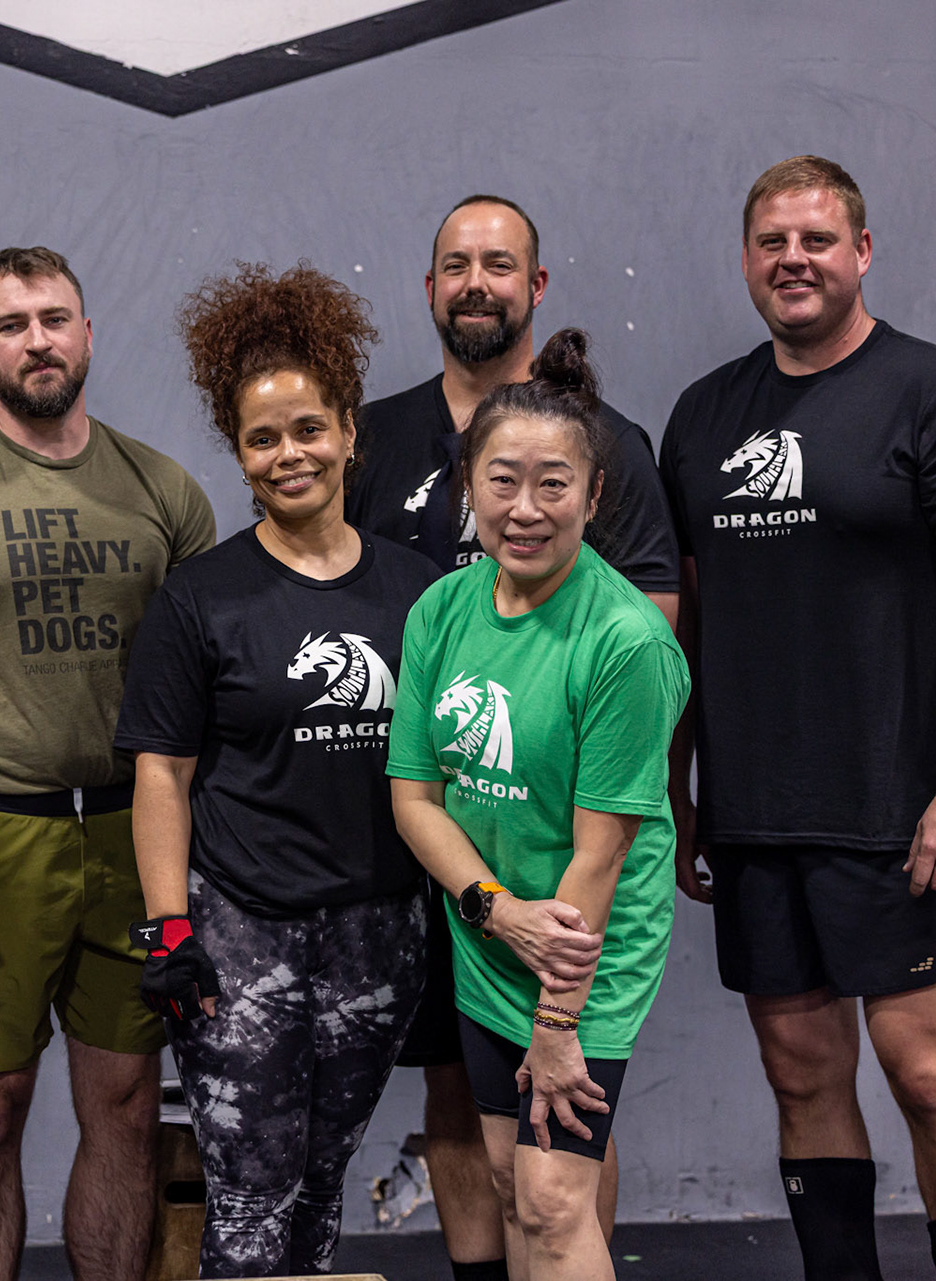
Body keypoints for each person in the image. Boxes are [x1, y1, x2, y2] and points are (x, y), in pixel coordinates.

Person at [658, 156, 936, 1281]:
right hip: (757, 812)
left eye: (817, 240)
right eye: (772, 241)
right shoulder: (705, 416)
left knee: (930, 1076)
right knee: (801, 1075)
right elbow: (684, 624)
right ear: (746, 260)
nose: (794, 260)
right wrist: (680, 791)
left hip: (901, 815)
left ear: (862, 252)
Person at [0, 247, 215, 1281]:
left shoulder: (163, 489)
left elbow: (203, 688)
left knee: (127, 1105)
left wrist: (188, 862)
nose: (38, 341)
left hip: (131, 829)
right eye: (11, 326)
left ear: (88, 335)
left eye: (55, 319)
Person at [345, 193, 682, 1276]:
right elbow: (414, 794)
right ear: (470, 489)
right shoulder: (444, 609)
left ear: (594, 492)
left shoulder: (624, 640)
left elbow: (601, 855)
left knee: (549, 1197)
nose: (526, 507)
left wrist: (558, 1019)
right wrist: (492, 909)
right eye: (502, 482)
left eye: (554, 485)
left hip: (582, 943)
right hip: (493, 930)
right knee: (507, 1181)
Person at [115, 264, 440, 1277]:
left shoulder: (419, 592)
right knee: (252, 1193)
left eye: (308, 429)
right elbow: (161, 775)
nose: (289, 453)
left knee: (321, 1178)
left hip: (380, 934)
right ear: (240, 453)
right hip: (240, 935)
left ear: (347, 431)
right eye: (263, 438)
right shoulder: (200, 598)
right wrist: (169, 928)